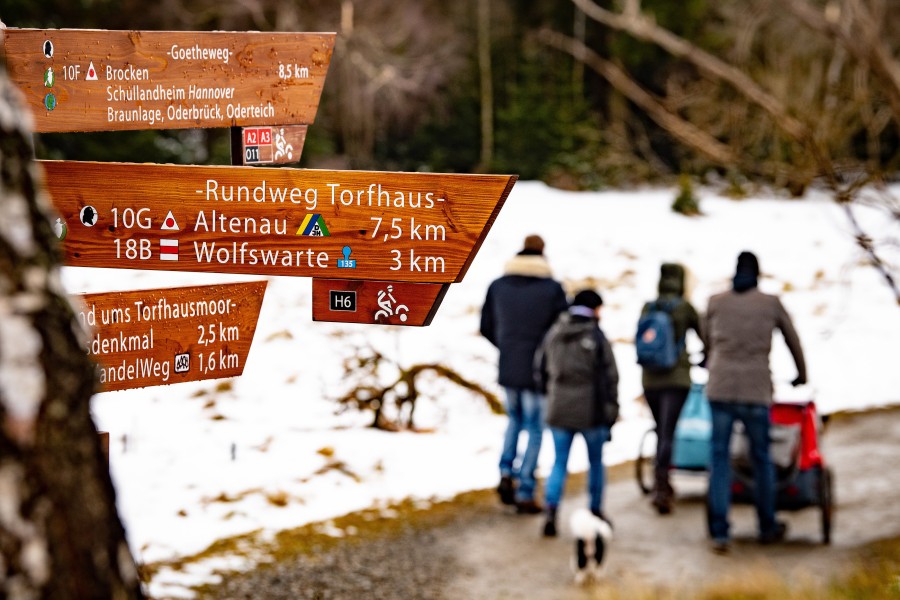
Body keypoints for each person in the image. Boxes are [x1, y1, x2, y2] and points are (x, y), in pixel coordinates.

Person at [703, 251, 807, 554]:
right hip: (755, 390)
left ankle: (720, 531)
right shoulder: (770, 304)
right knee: (761, 458)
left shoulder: (715, 302)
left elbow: (708, 340)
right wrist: (801, 373)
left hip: (720, 388)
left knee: (719, 458)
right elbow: (793, 339)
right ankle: (766, 525)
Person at [480, 234, 568, 513]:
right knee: (535, 429)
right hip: (539, 373)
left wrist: (507, 347)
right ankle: (526, 489)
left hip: (508, 368)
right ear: (543, 253)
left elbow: (485, 326)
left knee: (513, 422)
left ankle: (506, 472)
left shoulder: (498, 285)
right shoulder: (552, 289)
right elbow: (561, 333)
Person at [536, 289, 619, 536]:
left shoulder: (554, 332)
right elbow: (611, 376)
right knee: (595, 462)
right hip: (591, 411)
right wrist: (611, 409)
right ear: (593, 309)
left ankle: (551, 510)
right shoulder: (596, 336)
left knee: (559, 462)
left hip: (559, 408)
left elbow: (539, 369)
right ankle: (595, 511)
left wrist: (552, 395)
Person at [639, 263, 703, 515]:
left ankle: (661, 482)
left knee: (660, 431)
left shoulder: (648, 306)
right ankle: (661, 488)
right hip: (676, 380)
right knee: (668, 432)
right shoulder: (685, 308)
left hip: (649, 380)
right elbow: (706, 337)